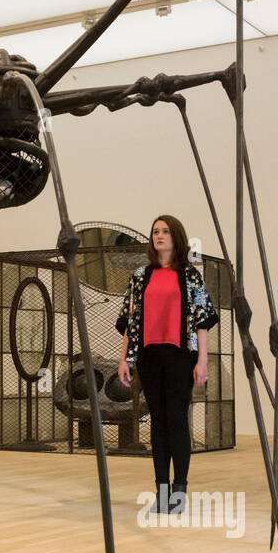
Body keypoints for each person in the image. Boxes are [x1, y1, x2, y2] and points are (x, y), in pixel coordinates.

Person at [116, 216, 219, 514]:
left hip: (180, 356)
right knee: (158, 422)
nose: (159, 236)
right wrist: (125, 359)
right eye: (155, 232)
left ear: (177, 237)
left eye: (165, 231)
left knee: (176, 420)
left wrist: (202, 360)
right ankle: (161, 492)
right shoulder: (139, 276)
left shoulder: (190, 276)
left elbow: (203, 321)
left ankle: (180, 491)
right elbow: (129, 321)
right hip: (149, 356)